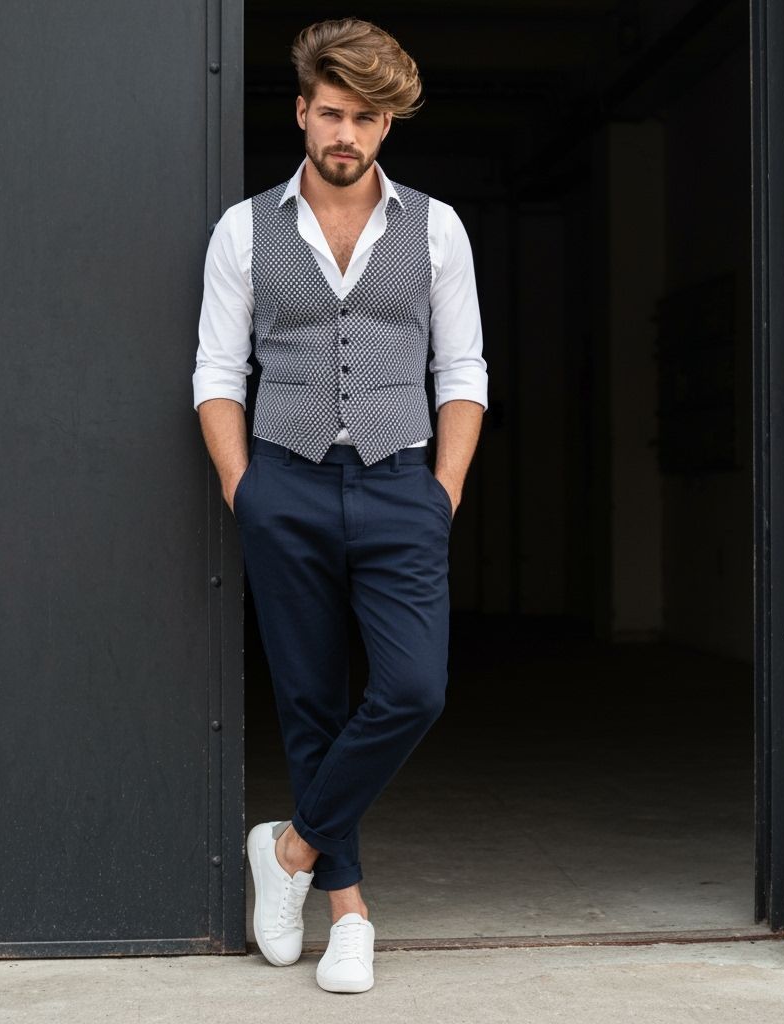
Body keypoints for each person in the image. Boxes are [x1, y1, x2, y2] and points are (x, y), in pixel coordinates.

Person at [192, 16, 487, 994]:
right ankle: (349, 914)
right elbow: (216, 370)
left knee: (414, 688)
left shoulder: (436, 228)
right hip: (285, 482)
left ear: (387, 126)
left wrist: (439, 492)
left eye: (365, 117)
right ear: (301, 112)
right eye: (330, 112)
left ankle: (288, 850)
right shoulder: (245, 229)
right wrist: (246, 488)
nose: (345, 133)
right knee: (311, 699)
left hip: (403, 482)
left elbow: (464, 370)